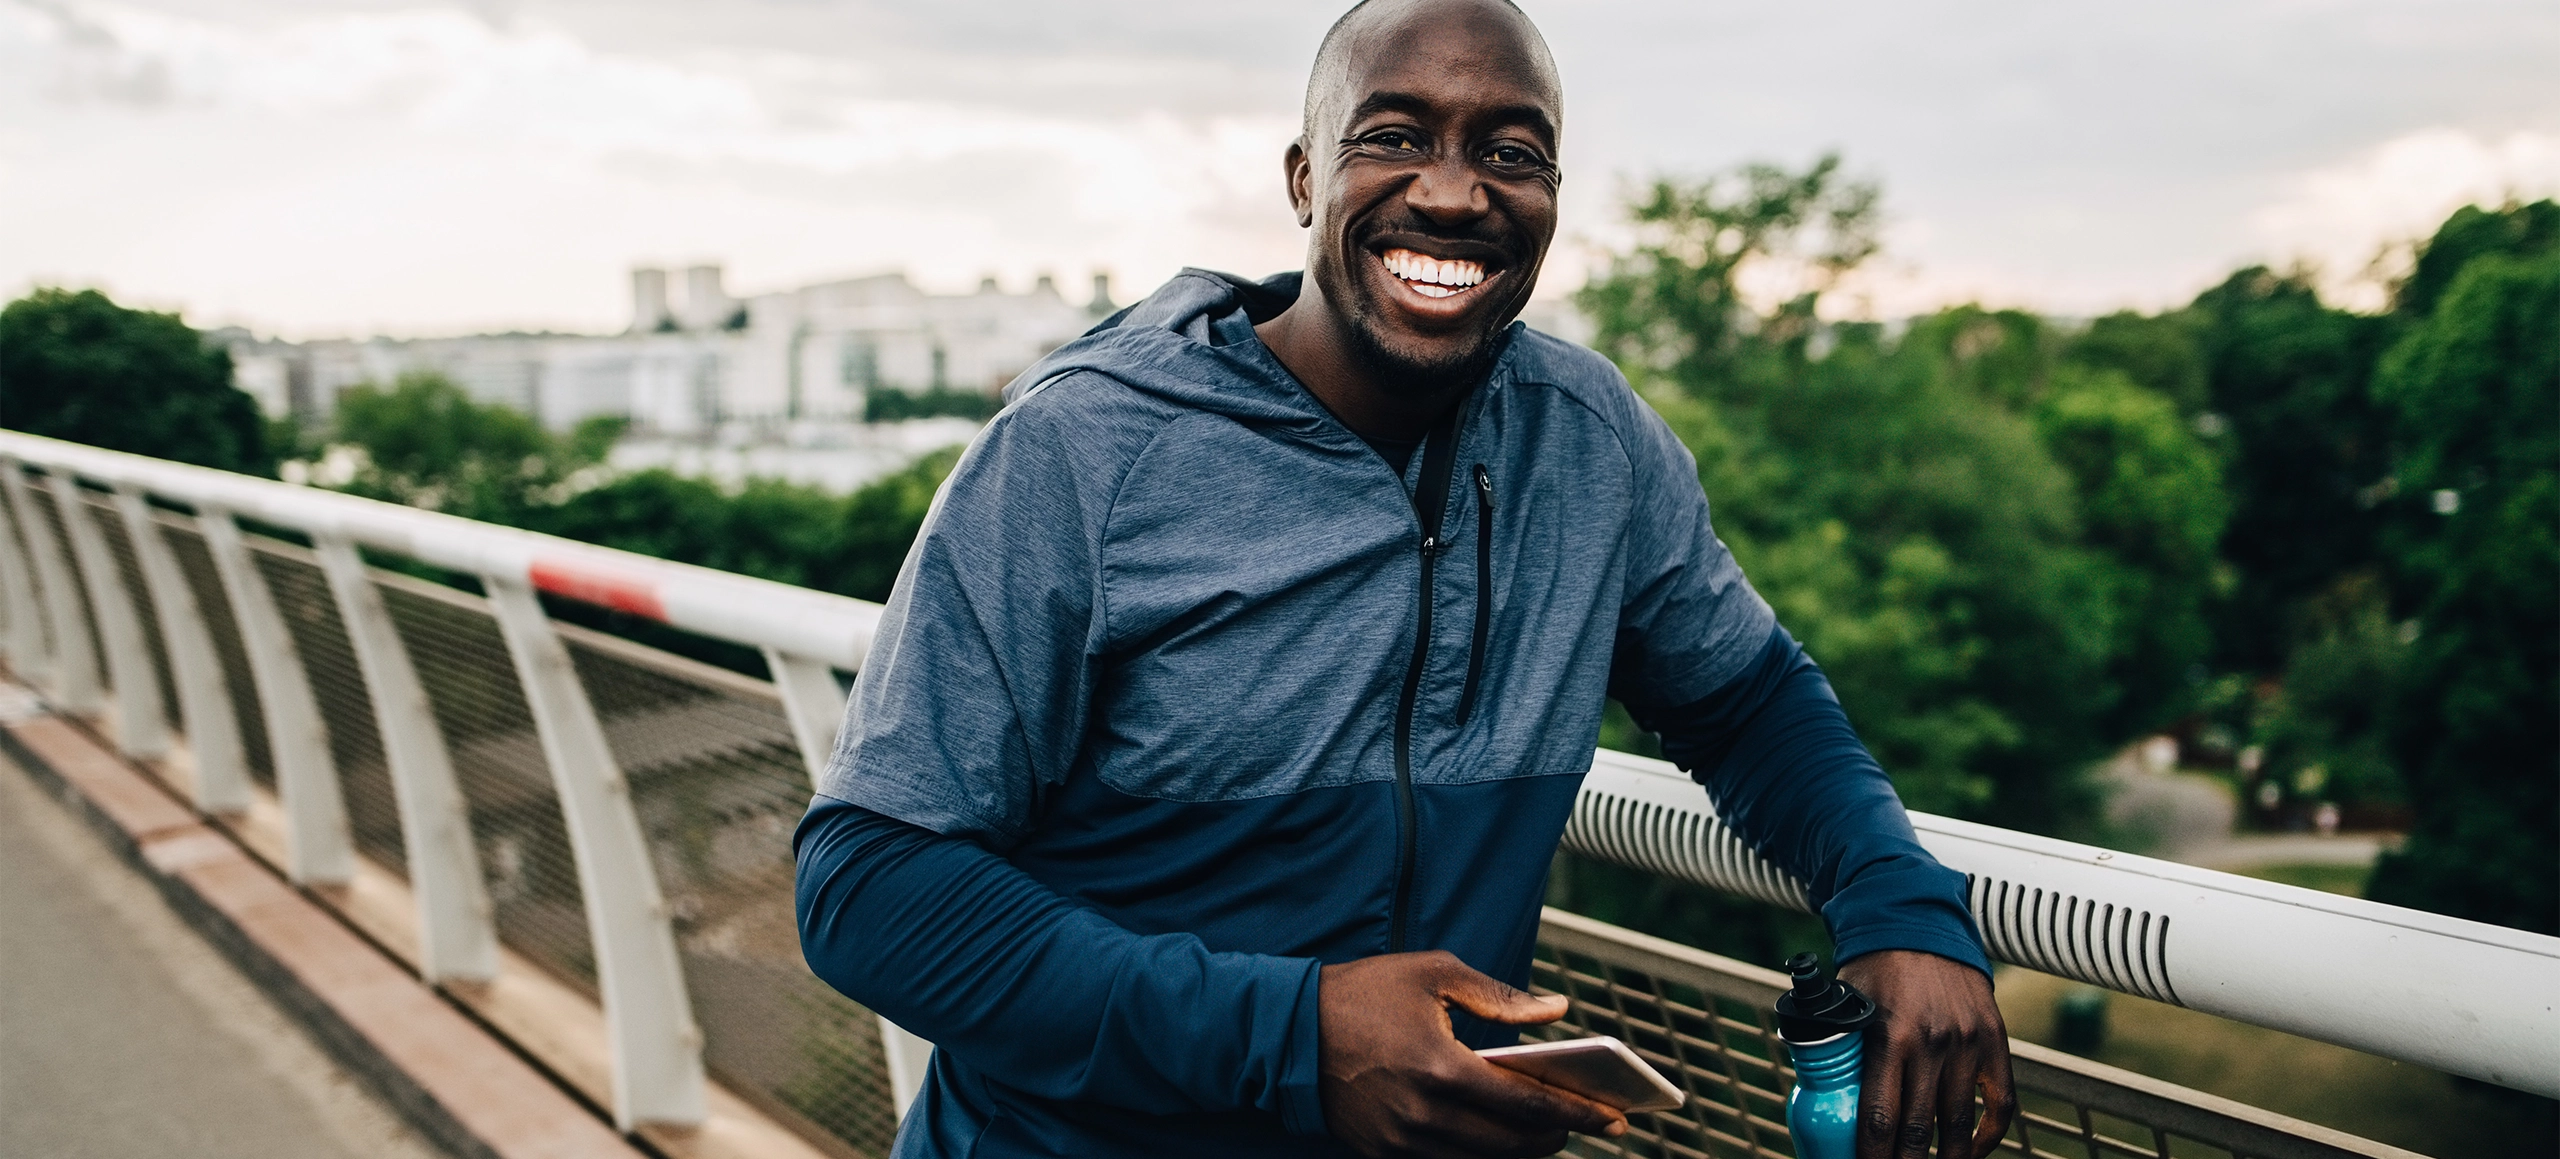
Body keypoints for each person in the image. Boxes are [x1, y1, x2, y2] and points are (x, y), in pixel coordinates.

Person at [795, 1, 2018, 1155]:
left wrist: (1897, 905)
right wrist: (1295, 1037)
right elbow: (869, 881)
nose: (1451, 190)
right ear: (1302, 178)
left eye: (1511, 152)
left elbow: (1746, 702)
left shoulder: (1590, 442)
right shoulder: (1084, 449)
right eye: (1391, 136)